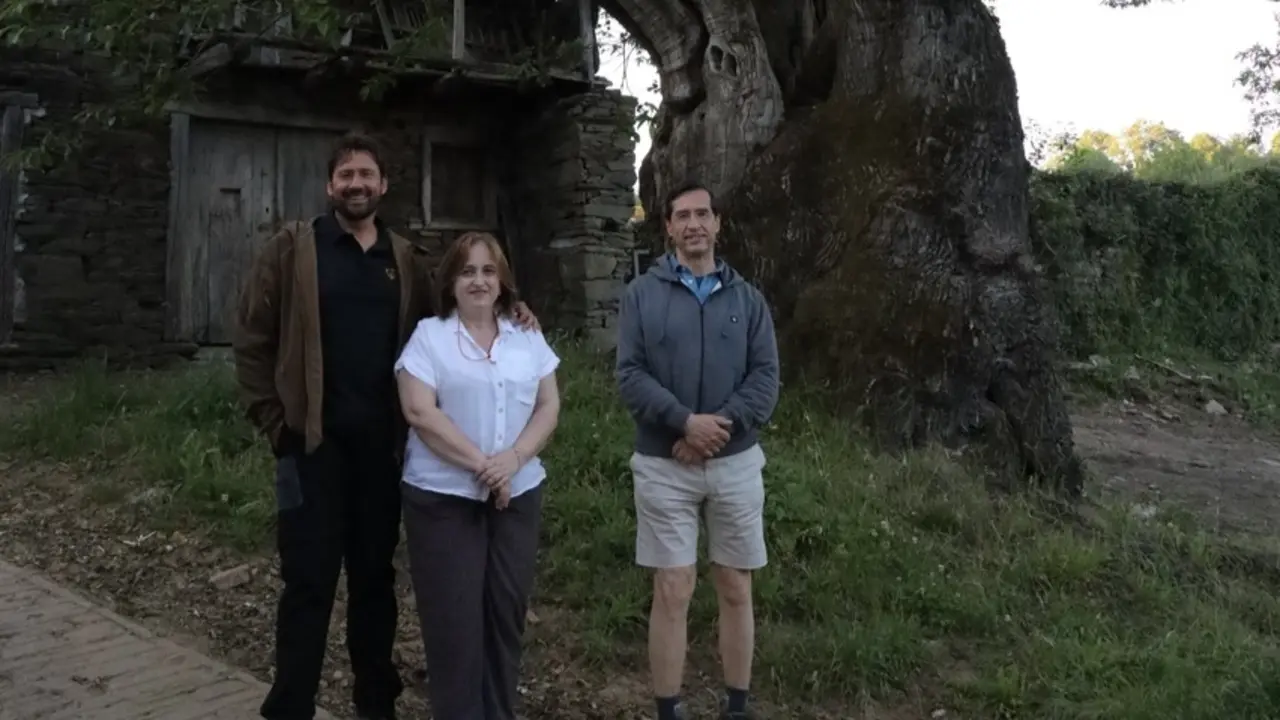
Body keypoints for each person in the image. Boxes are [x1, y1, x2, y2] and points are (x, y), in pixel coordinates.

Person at [233, 132, 539, 720]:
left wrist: (513, 308)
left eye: (366, 174)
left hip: (381, 455)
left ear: (382, 186)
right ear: (330, 185)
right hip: (311, 450)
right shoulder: (293, 250)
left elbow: (453, 319)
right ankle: (290, 707)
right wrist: (276, 426)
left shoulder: (402, 261)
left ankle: (376, 706)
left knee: (374, 585)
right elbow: (251, 339)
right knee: (307, 585)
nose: (356, 184)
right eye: (346, 174)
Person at [615, 181, 781, 720]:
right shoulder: (642, 294)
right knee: (673, 586)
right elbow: (630, 375)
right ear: (667, 226)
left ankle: (737, 705)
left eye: (702, 214)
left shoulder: (747, 298)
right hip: (664, 465)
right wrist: (683, 424)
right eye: (682, 215)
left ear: (717, 224)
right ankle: (669, 708)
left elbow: (765, 378)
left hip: (735, 464)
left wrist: (715, 432)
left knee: (735, 584)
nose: (693, 224)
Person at [393, 231, 561, 720]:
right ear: (451, 282)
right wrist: (485, 468)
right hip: (443, 502)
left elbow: (550, 404)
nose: (479, 281)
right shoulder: (429, 337)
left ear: (502, 280)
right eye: (468, 271)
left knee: (505, 617)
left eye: (489, 271)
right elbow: (420, 412)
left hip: (518, 496)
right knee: (455, 626)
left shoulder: (526, 333)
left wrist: (514, 460)